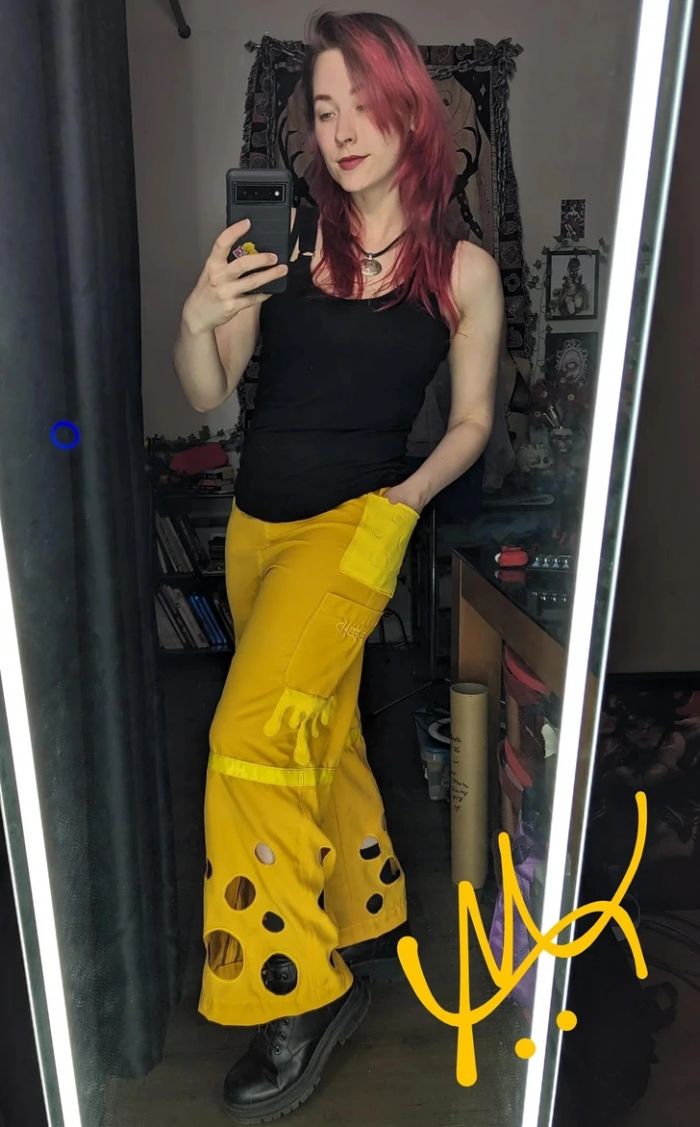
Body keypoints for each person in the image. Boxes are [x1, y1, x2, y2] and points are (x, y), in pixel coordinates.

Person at [173, 10, 503, 1122]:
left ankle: (298, 992)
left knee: (246, 739)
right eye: (323, 110)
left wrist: (405, 501)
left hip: (355, 524)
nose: (344, 129)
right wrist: (200, 315)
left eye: (364, 104)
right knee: (315, 728)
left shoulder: (462, 268)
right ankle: (362, 915)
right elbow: (205, 392)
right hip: (255, 529)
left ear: (410, 110)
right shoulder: (284, 246)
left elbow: (471, 419)